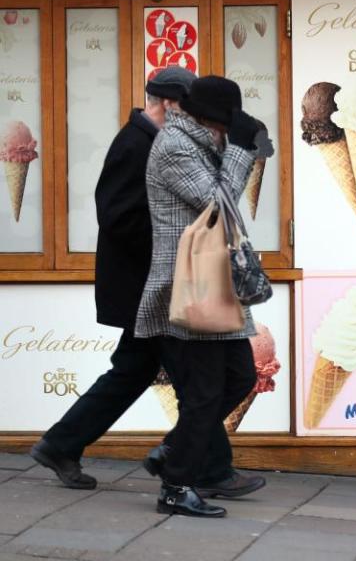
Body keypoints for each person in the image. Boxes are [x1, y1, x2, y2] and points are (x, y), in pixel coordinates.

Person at [30, 69, 265, 505]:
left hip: (183, 283)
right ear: (170, 103)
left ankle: (180, 461)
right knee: (194, 386)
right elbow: (121, 217)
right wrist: (166, 259)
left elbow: (215, 203)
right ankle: (189, 471)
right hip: (162, 285)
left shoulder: (183, 140)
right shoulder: (146, 143)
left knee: (168, 378)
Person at [136, 75, 265, 518]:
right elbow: (219, 203)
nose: (232, 131)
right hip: (191, 287)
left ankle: (175, 449)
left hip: (215, 282)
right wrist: (240, 151)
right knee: (206, 393)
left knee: (240, 378)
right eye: (228, 123)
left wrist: (236, 148)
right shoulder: (174, 145)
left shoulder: (199, 140)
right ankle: (175, 486)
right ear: (212, 119)